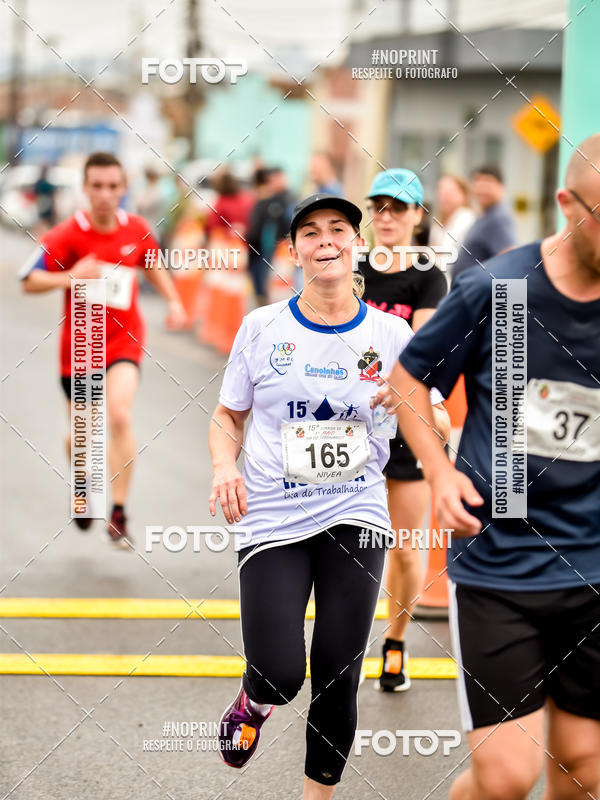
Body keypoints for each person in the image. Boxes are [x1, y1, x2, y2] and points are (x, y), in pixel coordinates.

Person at [209, 193, 450, 797]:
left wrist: (417, 407)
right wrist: (222, 467)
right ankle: (255, 696)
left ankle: (320, 792)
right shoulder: (261, 328)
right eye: (311, 233)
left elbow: (441, 421)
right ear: (294, 252)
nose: (326, 242)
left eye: (338, 230)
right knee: (282, 671)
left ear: (357, 244)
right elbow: (226, 416)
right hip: (271, 515)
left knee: (338, 673)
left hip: (357, 512)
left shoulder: (392, 335)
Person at [389, 135, 600, 800]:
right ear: (567, 205)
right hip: (501, 560)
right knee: (508, 776)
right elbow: (406, 377)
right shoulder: (499, 289)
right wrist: (438, 470)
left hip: (594, 562)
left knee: (585, 767)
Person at [19, 152, 186, 546]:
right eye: (97, 186)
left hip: (125, 339)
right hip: (81, 349)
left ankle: (118, 512)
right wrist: (70, 278)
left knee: (120, 415)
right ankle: (82, 480)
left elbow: (153, 264)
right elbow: (28, 280)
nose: (105, 194)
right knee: (83, 437)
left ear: (124, 188)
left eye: (113, 186)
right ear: (85, 188)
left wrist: (175, 301)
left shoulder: (138, 228)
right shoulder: (67, 234)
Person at [358, 168, 448, 692]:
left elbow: (423, 346)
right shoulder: (349, 266)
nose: (387, 217)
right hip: (347, 423)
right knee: (339, 541)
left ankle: (395, 643)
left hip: (403, 418)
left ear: (418, 216)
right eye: (379, 207)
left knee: (407, 549)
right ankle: (339, 641)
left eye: (399, 208)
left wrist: (427, 406)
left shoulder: (427, 275)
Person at [451, 165, 517, 281]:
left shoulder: (499, 218)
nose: (482, 189)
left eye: (487, 183)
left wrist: (514, 299)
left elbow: (511, 263)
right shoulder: (485, 215)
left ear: (501, 187)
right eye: (478, 182)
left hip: (481, 295)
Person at [246, 167, 295, 306]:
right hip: (262, 250)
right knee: (262, 285)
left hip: (277, 251)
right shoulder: (266, 201)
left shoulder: (285, 200)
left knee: (273, 287)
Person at [429, 174, 475, 286]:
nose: (445, 197)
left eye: (450, 193)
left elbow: (448, 256)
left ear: (463, 195)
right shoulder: (439, 222)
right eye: (442, 192)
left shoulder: (465, 218)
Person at [205, 170, 255, 240]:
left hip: (230, 243)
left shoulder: (220, 204)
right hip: (249, 240)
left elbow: (213, 227)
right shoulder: (248, 197)